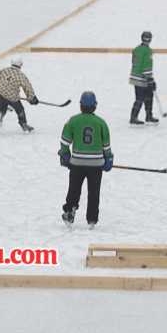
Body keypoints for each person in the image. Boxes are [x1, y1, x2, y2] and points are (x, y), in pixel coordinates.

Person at [59, 91, 113, 229]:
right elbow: (106, 146)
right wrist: (108, 159)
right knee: (94, 191)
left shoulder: (73, 120)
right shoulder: (101, 123)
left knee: (74, 189)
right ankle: (92, 218)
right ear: (95, 106)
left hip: (77, 163)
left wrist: (65, 154)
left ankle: (70, 210)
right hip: (96, 164)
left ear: (80, 105)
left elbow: (64, 141)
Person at [0, 55, 37, 132]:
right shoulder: (21, 76)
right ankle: (23, 124)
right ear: (21, 64)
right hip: (13, 97)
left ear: (11, 63)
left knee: (1, 108)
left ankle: (0, 114)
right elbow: (27, 87)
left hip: (0, 94)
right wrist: (32, 98)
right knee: (20, 110)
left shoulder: (5, 70)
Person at [129, 30, 158, 125]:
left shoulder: (136, 49)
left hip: (134, 77)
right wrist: (150, 79)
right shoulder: (148, 51)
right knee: (146, 96)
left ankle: (136, 116)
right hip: (143, 78)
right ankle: (146, 115)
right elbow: (146, 65)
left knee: (140, 97)